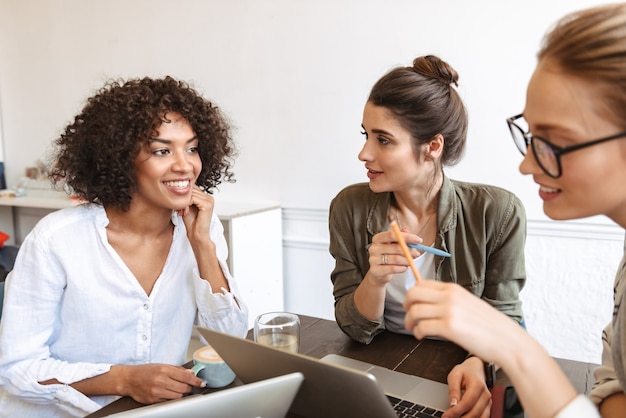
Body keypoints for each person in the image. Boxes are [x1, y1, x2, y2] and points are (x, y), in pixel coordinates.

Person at [403, 3, 626, 418]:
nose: (526, 165)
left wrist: (511, 344)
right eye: (528, 134)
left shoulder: (496, 211)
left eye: (554, 141)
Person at [0, 76, 249, 417]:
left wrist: (203, 245)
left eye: (191, 148)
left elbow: (229, 343)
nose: (185, 165)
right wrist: (124, 380)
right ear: (119, 159)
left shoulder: (200, 229)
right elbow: (17, 369)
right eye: (162, 150)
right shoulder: (56, 240)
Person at [329, 55, 527, 417]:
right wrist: (376, 278)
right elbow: (354, 328)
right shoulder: (349, 207)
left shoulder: (497, 212)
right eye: (366, 135)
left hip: (459, 367)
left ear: (432, 147)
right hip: (378, 365)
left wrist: (478, 362)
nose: (364, 153)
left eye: (384, 140)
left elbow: (506, 319)